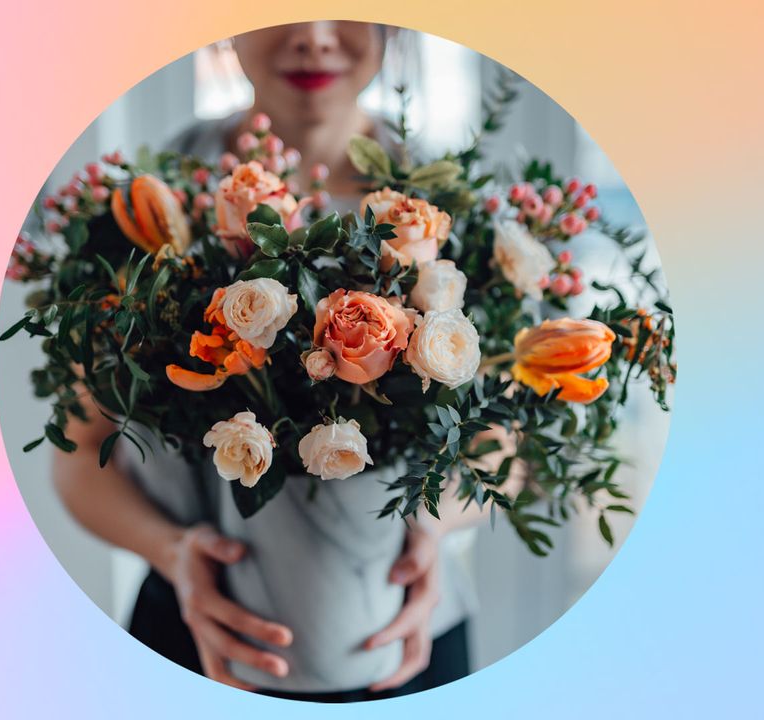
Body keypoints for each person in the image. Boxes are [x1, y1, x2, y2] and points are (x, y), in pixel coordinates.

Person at [54, 21, 494, 702]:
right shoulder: (148, 205)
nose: (313, 37)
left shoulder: (451, 205)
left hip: (403, 625)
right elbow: (80, 451)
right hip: (194, 628)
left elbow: (507, 440)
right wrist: (171, 552)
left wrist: (432, 526)